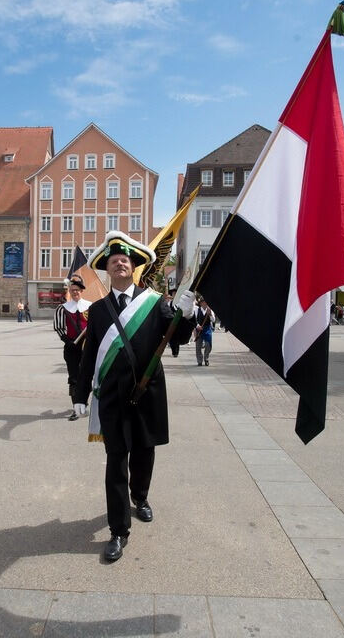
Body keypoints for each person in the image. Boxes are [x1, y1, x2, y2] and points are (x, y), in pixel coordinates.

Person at [77, 231, 195, 562]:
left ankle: (140, 497)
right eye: (114, 261)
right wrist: (79, 392)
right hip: (113, 397)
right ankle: (118, 530)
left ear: (134, 267)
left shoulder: (155, 303)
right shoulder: (98, 311)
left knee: (144, 452)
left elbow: (178, 340)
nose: (119, 264)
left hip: (148, 393)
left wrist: (185, 315)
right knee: (116, 460)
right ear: (107, 269)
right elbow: (89, 358)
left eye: (125, 260)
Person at [53, 276, 90, 420]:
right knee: (74, 378)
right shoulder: (62, 308)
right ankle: (76, 408)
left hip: (87, 347)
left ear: (82, 291)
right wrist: (67, 341)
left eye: (78, 290)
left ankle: (84, 404)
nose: (75, 292)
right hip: (71, 348)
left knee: (86, 376)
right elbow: (58, 327)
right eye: (73, 290)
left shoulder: (90, 306)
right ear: (70, 291)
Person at [194, 297, 215, 366]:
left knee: (208, 345)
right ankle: (199, 360)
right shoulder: (197, 310)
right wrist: (197, 326)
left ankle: (206, 358)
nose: (204, 303)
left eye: (205, 302)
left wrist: (210, 315)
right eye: (203, 302)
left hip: (207, 329)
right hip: (199, 329)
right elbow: (194, 320)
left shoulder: (210, 310)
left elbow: (213, 320)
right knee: (198, 346)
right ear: (200, 303)